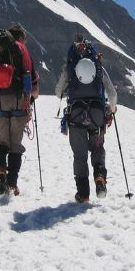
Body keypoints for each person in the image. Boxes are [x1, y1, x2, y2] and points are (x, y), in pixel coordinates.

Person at [54, 34, 117, 203]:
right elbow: (112, 92)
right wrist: (112, 109)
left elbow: (58, 91)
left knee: (80, 155)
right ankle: (99, 176)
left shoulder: (69, 67)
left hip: (76, 114)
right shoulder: (98, 66)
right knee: (97, 149)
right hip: (97, 114)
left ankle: (83, 194)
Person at [0, 23, 39, 196]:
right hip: (19, 100)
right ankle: (11, 184)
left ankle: (0, 171)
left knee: (2, 141)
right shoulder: (21, 49)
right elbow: (32, 83)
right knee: (15, 145)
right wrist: (29, 99)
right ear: (21, 37)